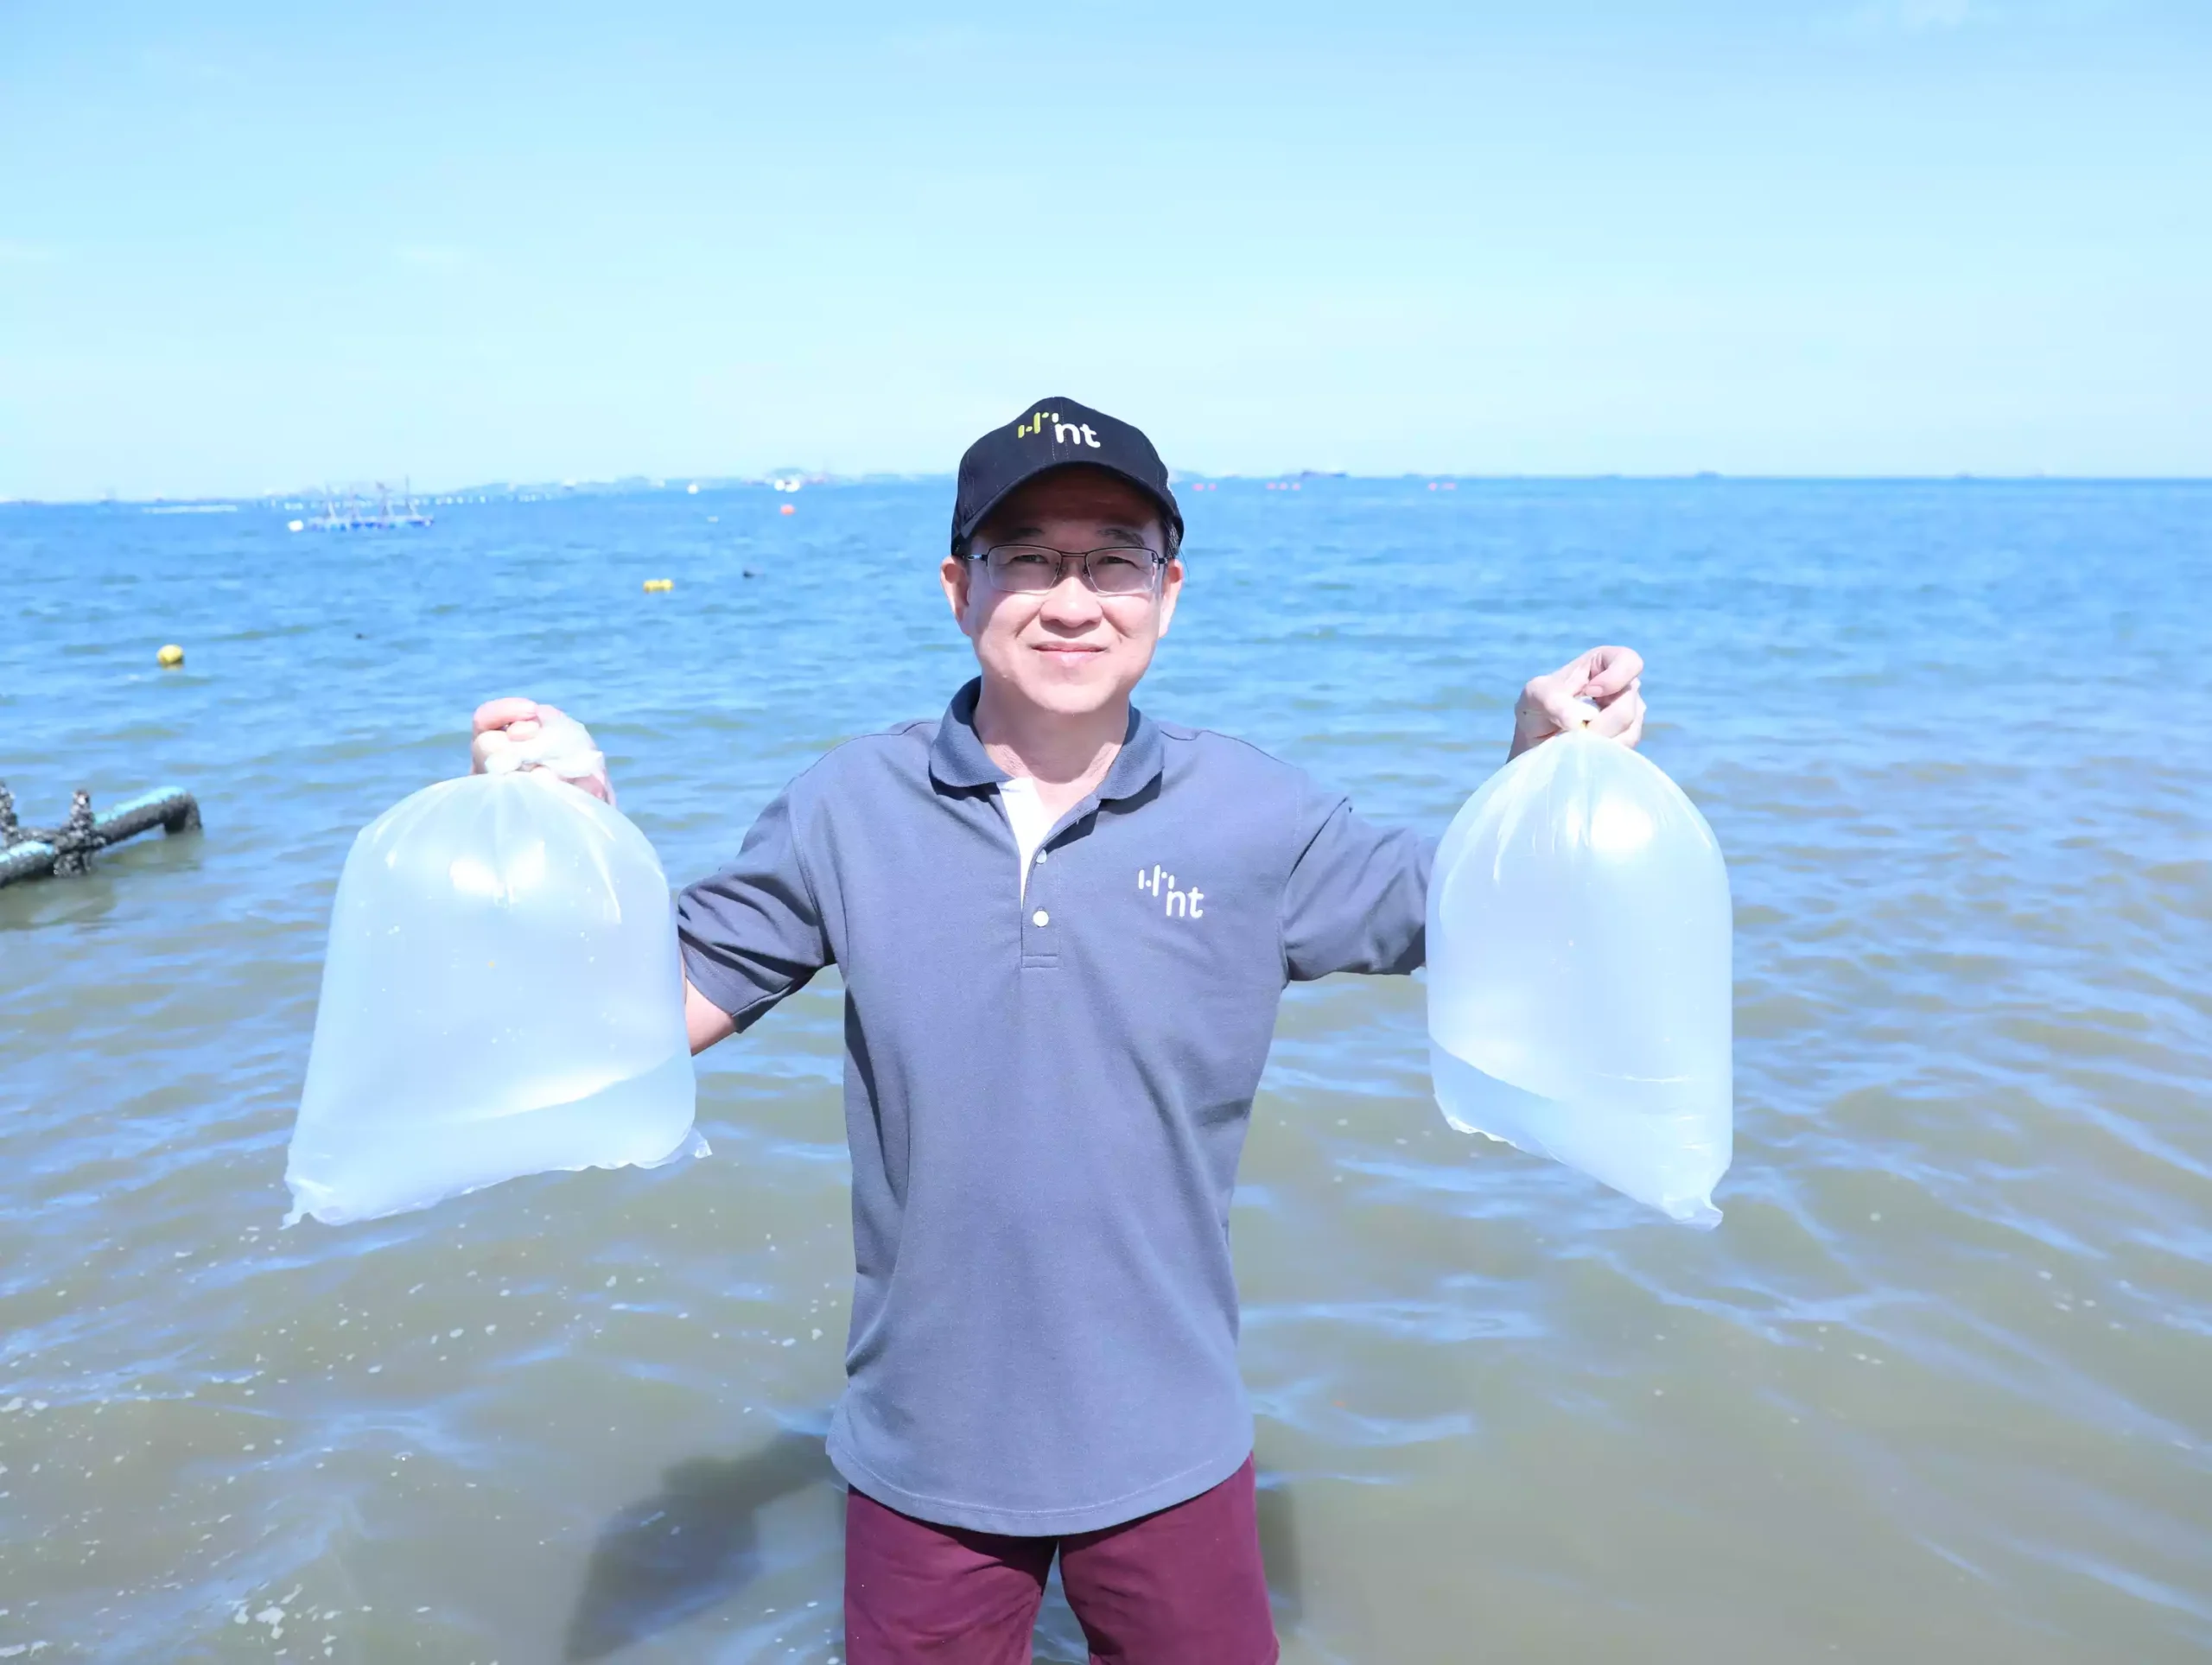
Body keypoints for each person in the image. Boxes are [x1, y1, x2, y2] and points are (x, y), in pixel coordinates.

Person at [473, 397, 1645, 1664]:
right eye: (1026, 557)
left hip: (1172, 1443)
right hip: (925, 1452)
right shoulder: (846, 808)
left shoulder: (1259, 817)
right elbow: (636, 1019)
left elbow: (1484, 920)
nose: (1072, 599)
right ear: (958, 588)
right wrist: (573, 837)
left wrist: (1539, 773)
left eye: (1113, 559)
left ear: (1168, 592)